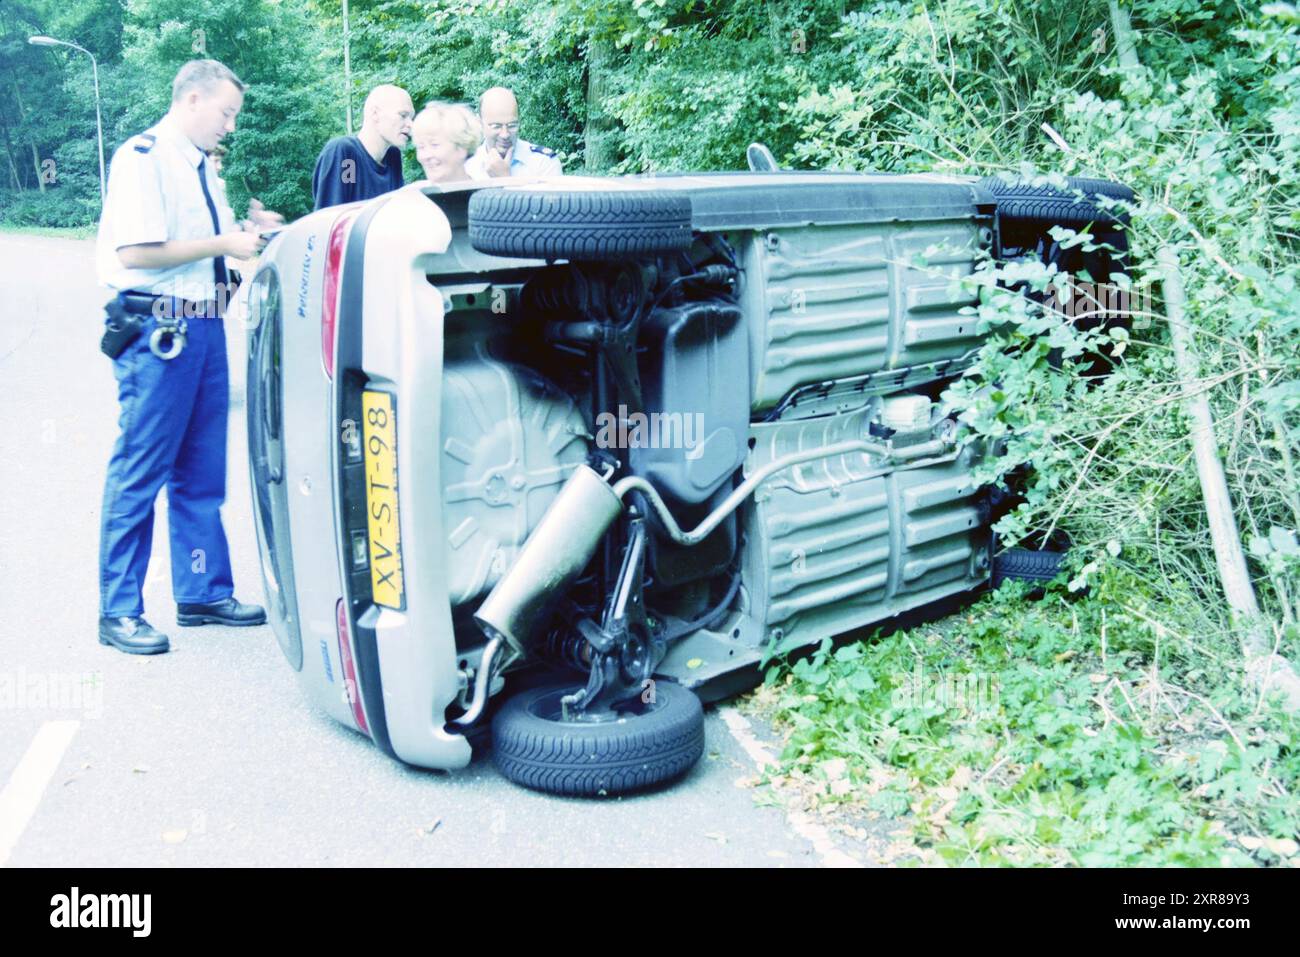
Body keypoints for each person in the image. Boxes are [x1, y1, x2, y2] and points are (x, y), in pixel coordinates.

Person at [95, 58, 282, 655]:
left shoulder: (204, 169)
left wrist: (251, 238)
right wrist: (226, 242)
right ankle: (119, 609)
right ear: (193, 100)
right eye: (226, 113)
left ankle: (201, 588)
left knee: (202, 477)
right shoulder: (143, 158)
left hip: (203, 327)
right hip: (158, 330)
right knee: (140, 472)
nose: (230, 125)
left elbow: (213, 261)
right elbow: (136, 251)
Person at [311, 84, 413, 209]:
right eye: (403, 115)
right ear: (375, 114)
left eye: (411, 117)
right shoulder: (348, 157)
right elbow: (334, 217)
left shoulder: (393, 157)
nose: (410, 124)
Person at [465, 86, 562, 180]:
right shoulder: (467, 166)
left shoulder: (543, 162)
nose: (505, 134)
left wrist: (504, 180)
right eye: (496, 126)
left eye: (512, 126)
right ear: (480, 123)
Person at [412, 101, 481, 183]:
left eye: (434, 145)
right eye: (421, 147)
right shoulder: (409, 194)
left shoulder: (487, 194)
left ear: (461, 147)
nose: (426, 156)